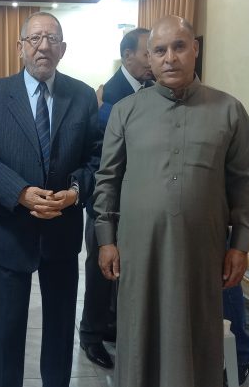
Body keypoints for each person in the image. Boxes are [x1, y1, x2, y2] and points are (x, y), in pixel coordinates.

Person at [93, 15, 249, 387]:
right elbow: (107, 180)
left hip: (203, 253)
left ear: (195, 49)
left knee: (197, 334)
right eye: (159, 50)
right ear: (149, 59)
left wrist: (240, 245)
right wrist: (106, 240)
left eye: (179, 47)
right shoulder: (126, 111)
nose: (170, 58)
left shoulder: (229, 110)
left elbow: (245, 184)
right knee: (139, 332)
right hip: (139, 251)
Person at [0, 11, 101, 387]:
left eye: (52, 39)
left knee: (60, 331)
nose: (44, 46)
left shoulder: (82, 96)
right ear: (20, 47)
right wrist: (20, 193)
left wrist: (75, 193)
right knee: (6, 333)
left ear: (63, 48)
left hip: (62, 231)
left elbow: (95, 158)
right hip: (10, 233)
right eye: (35, 39)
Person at [79, 27, 154, 369]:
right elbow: (98, 153)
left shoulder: (150, 89)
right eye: (148, 52)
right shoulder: (108, 95)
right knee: (100, 269)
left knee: (123, 269)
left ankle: (111, 322)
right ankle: (91, 335)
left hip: (138, 201)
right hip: (106, 200)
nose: (153, 60)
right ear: (127, 56)